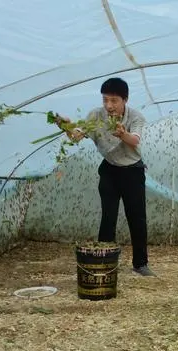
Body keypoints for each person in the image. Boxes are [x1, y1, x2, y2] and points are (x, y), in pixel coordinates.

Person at [57, 77, 156, 277]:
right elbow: (77, 136)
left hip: (132, 171)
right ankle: (104, 262)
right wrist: (66, 127)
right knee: (108, 217)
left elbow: (135, 140)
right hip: (110, 170)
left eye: (114, 101)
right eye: (105, 100)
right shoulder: (95, 115)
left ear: (125, 100)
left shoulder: (136, 117)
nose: (108, 106)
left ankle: (140, 264)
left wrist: (122, 134)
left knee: (137, 218)